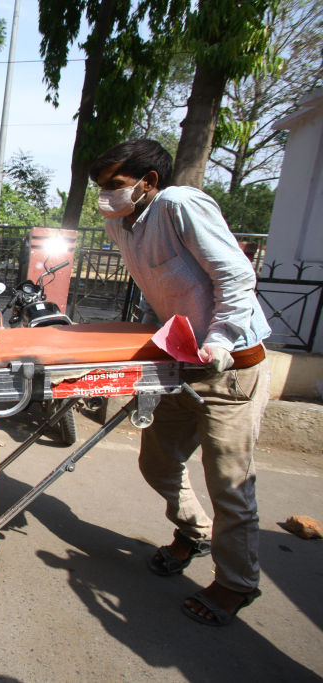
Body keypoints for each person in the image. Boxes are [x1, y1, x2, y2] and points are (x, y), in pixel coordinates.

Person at [89, 139, 271, 627]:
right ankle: (195, 530)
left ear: (149, 182)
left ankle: (236, 583)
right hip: (181, 362)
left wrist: (220, 341)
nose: (105, 196)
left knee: (229, 482)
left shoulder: (179, 205)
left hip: (231, 366)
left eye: (115, 186)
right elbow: (157, 291)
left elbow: (234, 277)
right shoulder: (120, 225)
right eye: (99, 187)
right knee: (158, 461)